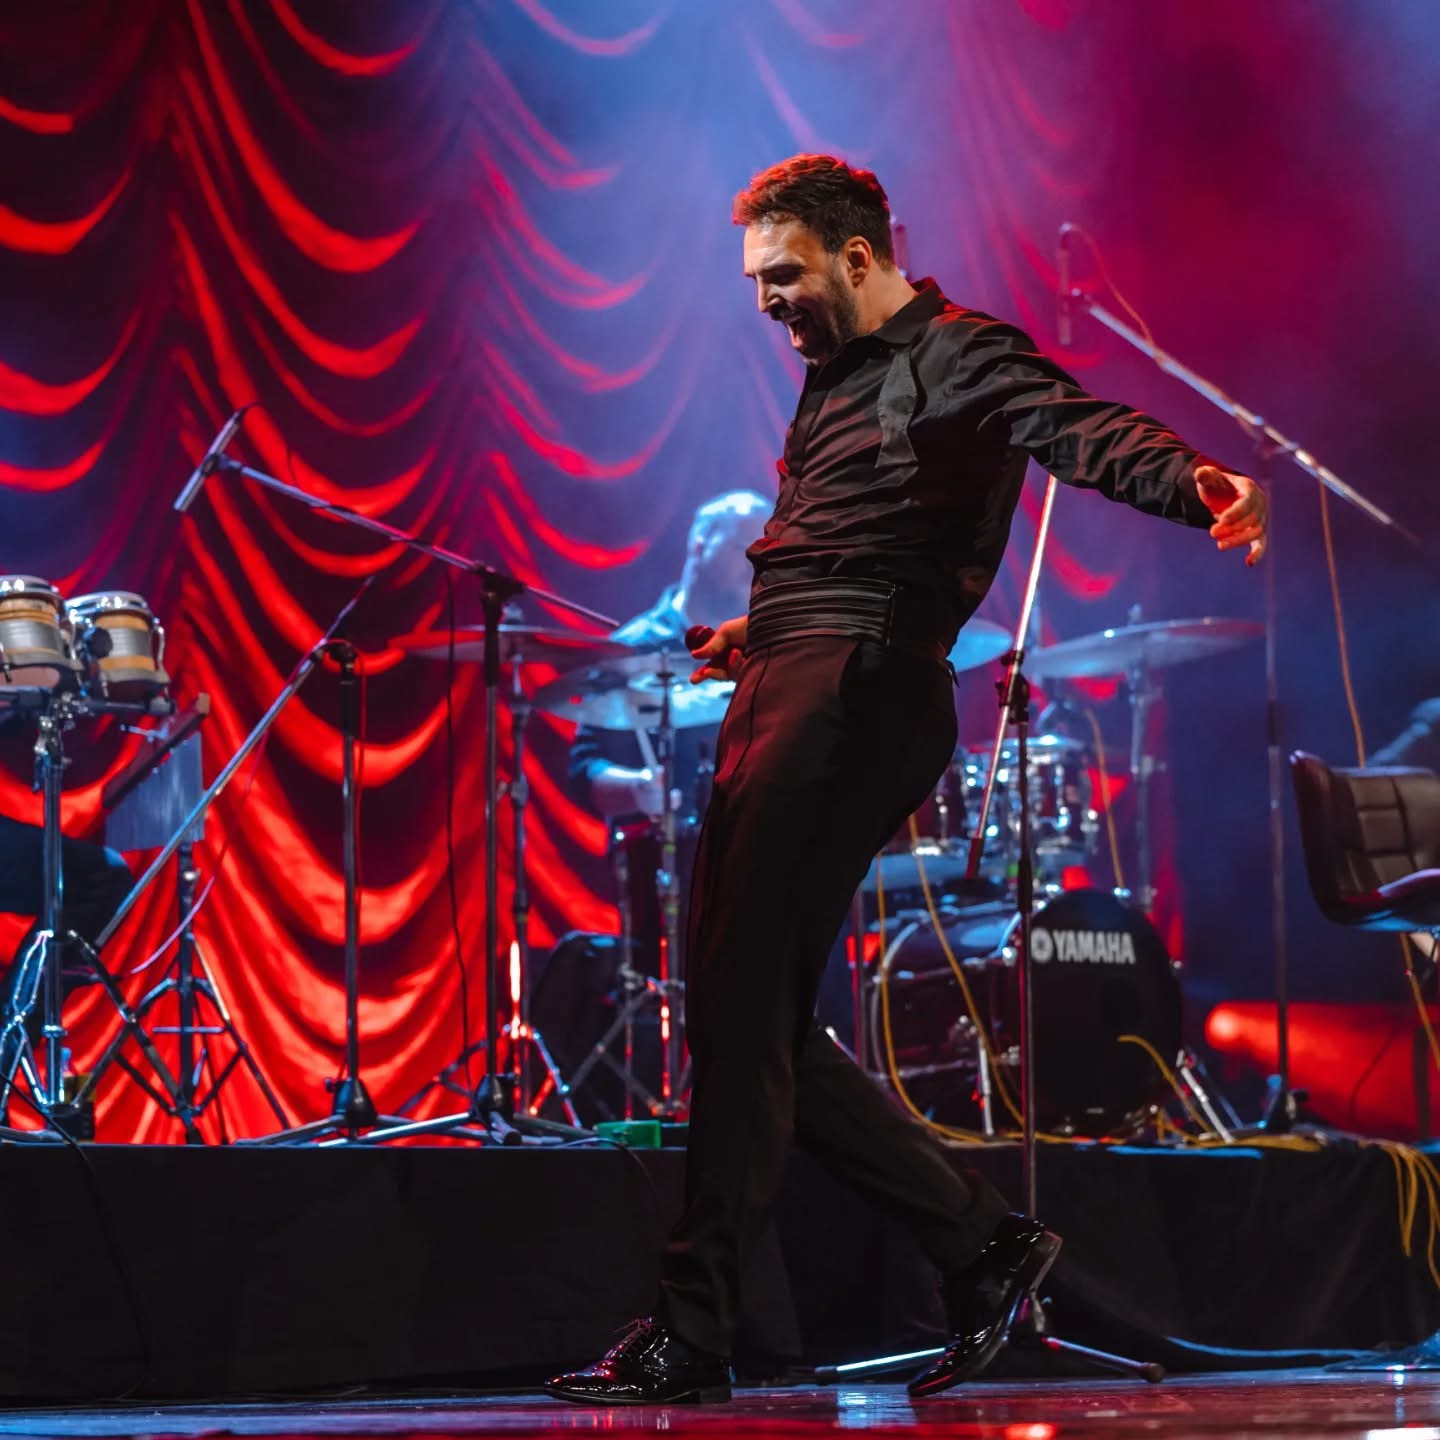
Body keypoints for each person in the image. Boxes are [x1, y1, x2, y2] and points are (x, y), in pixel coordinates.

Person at [547, 155, 1268, 1406]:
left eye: (784, 275)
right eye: (757, 281)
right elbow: (846, 542)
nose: (767, 301)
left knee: (740, 1008)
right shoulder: (831, 377)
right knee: (744, 1015)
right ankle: (977, 1243)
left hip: (856, 693)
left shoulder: (965, 353)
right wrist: (758, 631)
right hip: (793, 675)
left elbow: (1081, 428)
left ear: (858, 255)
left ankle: (700, 1328)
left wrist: (1191, 482)